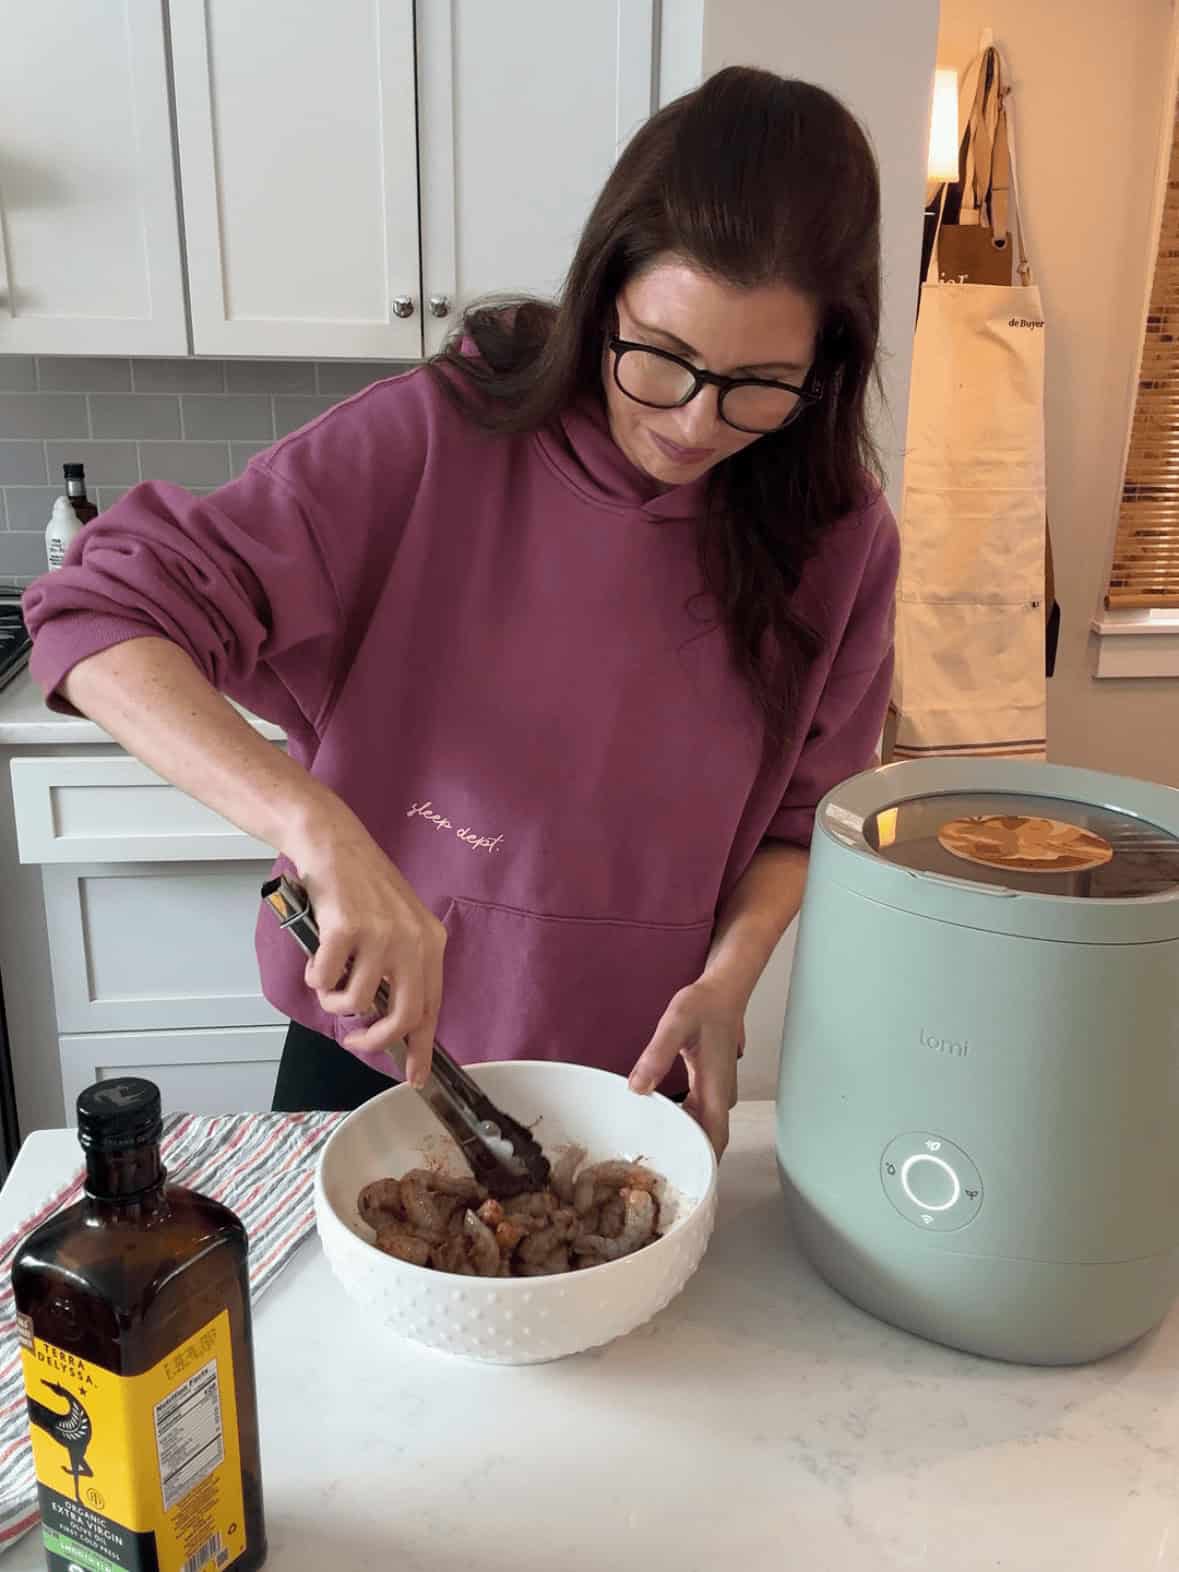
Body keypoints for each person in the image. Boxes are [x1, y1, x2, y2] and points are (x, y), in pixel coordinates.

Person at [24, 66, 898, 1157]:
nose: (692, 422)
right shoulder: (438, 438)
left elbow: (796, 827)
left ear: (828, 365)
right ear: (603, 293)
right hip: (371, 1053)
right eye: (659, 357)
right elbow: (98, 615)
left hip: (633, 1075)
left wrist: (728, 982)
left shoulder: (839, 538)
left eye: (759, 383)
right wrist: (317, 827)